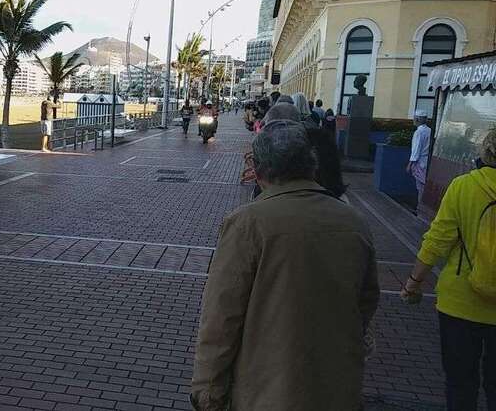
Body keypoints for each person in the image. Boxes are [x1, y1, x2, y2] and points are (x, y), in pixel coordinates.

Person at [191, 120, 379, 411]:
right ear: (311, 165)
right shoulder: (354, 222)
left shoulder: (247, 224)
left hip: (268, 390)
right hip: (338, 388)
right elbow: (366, 301)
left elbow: (221, 316)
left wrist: (208, 392)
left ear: (259, 171)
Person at [401, 128, 496, 410]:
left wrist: (413, 282)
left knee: (460, 383)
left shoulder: (464, 186)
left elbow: (437, 241)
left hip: (460, 303)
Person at [407, 109, 431, 205]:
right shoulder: (430, 131)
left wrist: (410, 164)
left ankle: (420, 207)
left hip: (420, 163)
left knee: (420, 187)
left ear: (417, 119)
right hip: (427, 161)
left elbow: (416, 150)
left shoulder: (419, 132)